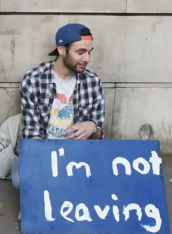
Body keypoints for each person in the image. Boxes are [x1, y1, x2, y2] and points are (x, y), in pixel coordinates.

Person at [11, 23, 105, 190]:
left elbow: (98, 136)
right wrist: (48, 165)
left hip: (78, 154)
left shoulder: (93, 81)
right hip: (43, 150)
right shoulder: (34, 79)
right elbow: (32, 135)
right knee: (21, 180)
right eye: (80, 52)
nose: (87, 59)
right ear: (62, 50)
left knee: (104, 178)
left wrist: (93, 127)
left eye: (89, 52)